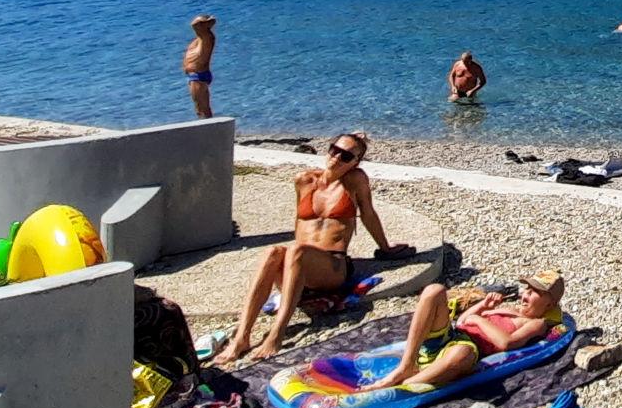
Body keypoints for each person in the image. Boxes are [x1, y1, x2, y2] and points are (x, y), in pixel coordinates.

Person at [214, 133, 413, 364]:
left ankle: (277, 334)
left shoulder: (355, 181)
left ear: (355, 162)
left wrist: (386, 248)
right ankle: (241, 337)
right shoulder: (304, 180)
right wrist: (288, 262)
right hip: (299, 266)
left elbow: (368, 214)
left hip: (332, 267)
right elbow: (300, 224)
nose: (337, 157)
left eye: (346, 155)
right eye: (334, 150)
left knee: (297, 250)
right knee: (273, 252)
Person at [373, 270, 566, 390]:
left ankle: (407, 386)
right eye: (527, 289)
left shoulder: (535, 323)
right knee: (434, 291)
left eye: (534, 293)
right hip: (452, 336)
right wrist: (482, 306)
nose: (525, 295)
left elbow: (506, 343)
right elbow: (462, 321)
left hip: (466, 348)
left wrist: (478, 320)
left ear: (549, 304)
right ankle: (406, 365)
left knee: (461, 353)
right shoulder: (509, 309)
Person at [182, 15, 217, 118]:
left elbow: (194, 24)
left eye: (201, 24)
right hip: (196, 75)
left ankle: (210, 132)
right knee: (203, 109)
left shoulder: (206, 36)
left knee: (201, 110)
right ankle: (210, 130)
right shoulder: (198, 40)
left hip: (198, 76)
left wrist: (208, 20)